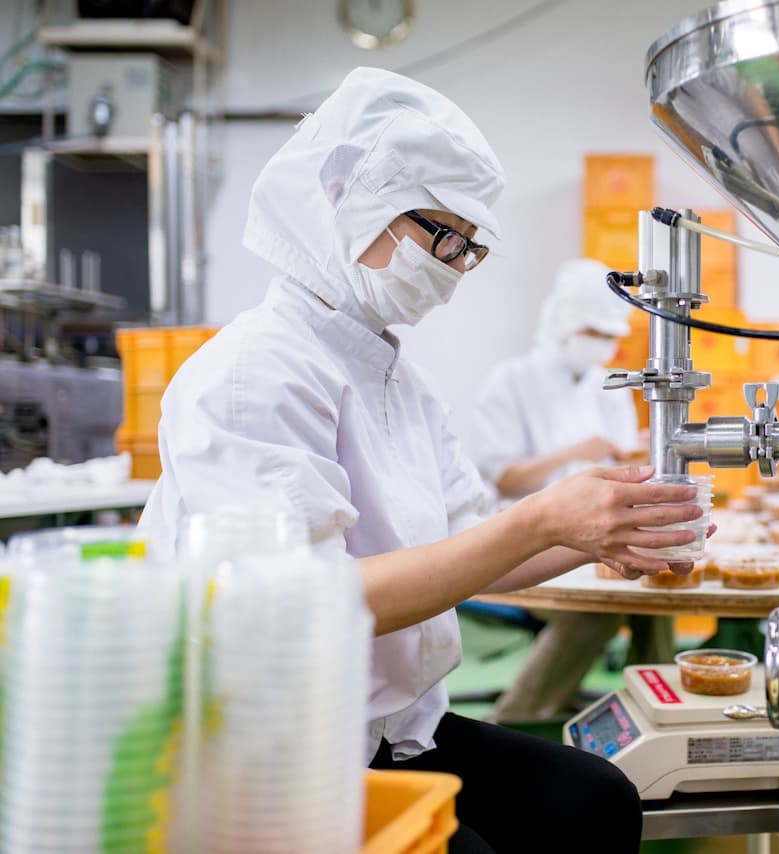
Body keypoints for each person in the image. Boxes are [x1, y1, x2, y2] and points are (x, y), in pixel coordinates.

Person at [135, 67, 701, 854]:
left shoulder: (396, 376)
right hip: (276, 751)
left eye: (469, 248)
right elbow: (308, 603)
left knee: (594, 799)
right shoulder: (250, 375)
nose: (452, 264)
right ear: (347, 201)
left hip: (390, 726)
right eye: (443, 236)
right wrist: (545, 515)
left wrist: (598, 535)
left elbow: (474, 542)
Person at [469, 260, 673, 722]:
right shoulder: (512, 381)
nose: (600, 343)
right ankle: (520, 721)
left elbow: (623, 467)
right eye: (591, 330)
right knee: (598, 607)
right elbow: (506, 479)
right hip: (526, 542)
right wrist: (573, 452)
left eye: (609, 334)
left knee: (655, 592)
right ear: (562, 321)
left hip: (600, 535)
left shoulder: (611, 386)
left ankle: (659, 715)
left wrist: (641, 455)